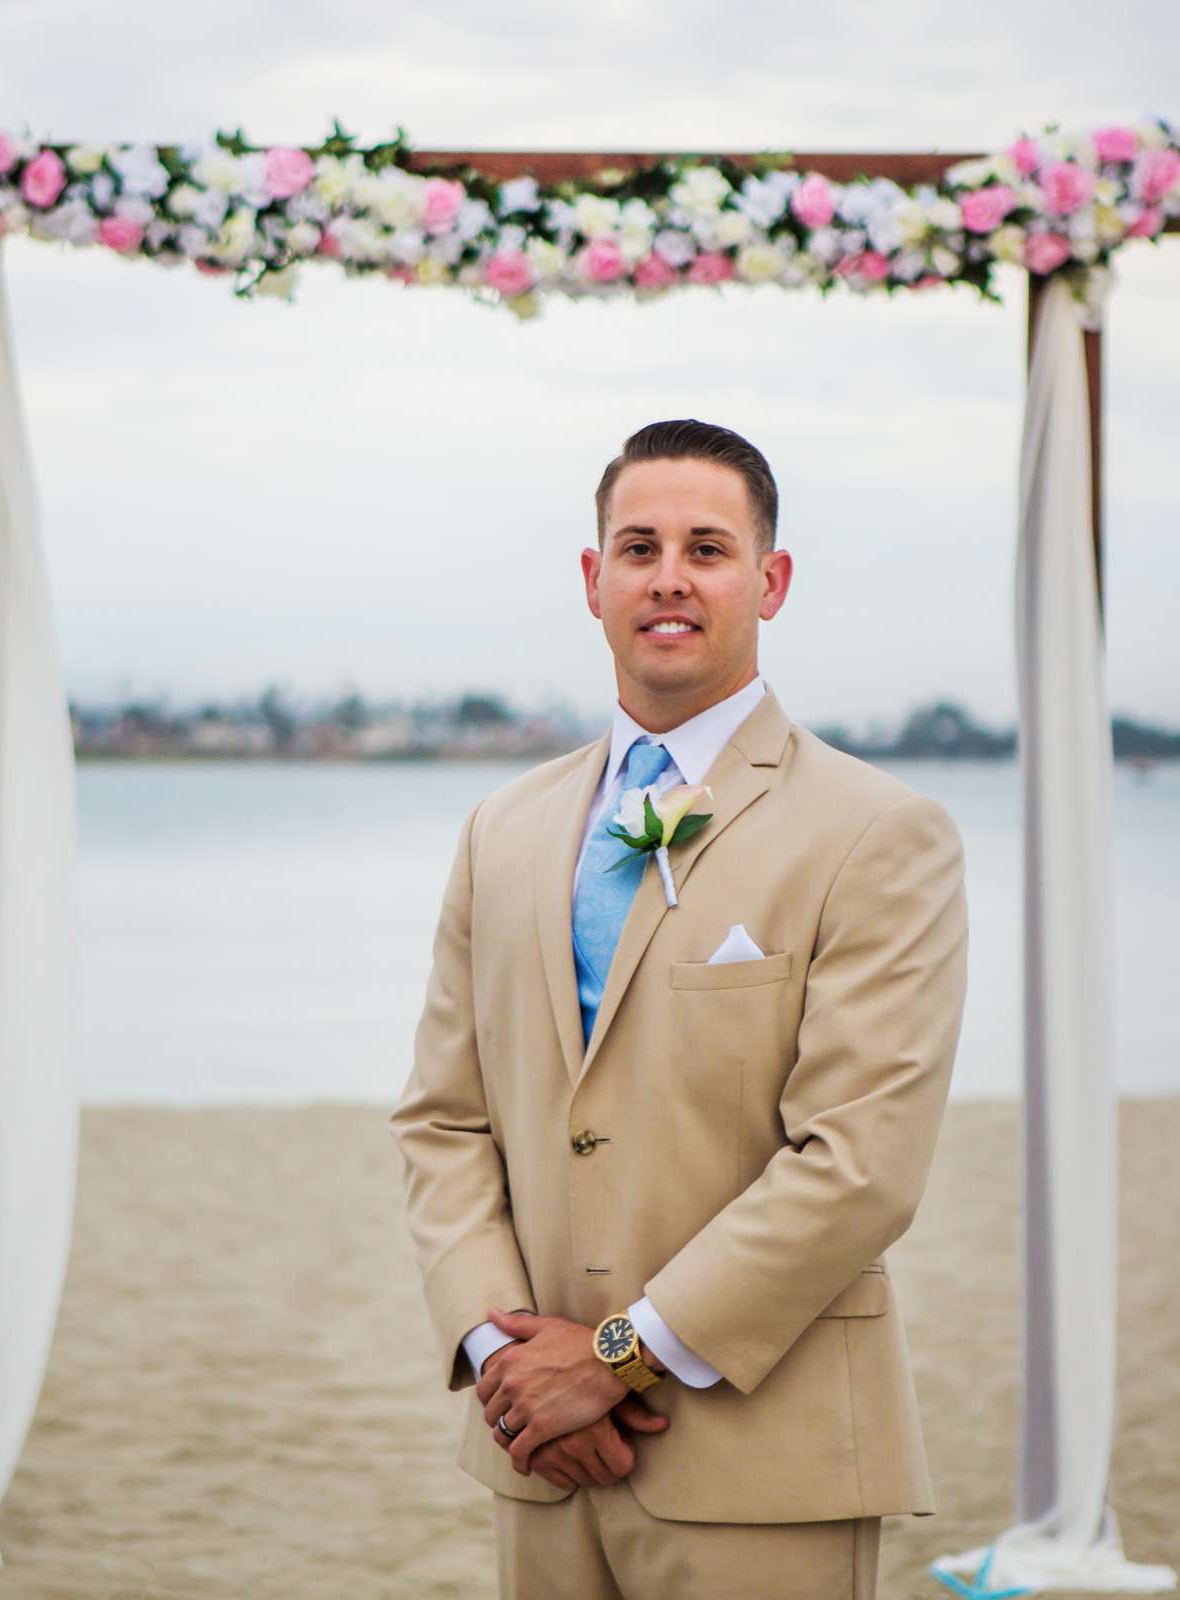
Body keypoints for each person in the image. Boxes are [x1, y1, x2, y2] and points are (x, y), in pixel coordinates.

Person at [389, 418, 971, 1598]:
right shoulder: (502, 831)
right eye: (638, 546)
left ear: (772, 579)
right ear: (592, 580)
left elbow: (859, 1163)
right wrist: (508, 1357)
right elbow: (444, 1121)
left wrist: (617, 1357)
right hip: (541, 1453)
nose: (668, 576)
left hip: (763, 1455)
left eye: (707, 547)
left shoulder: (877, 832)